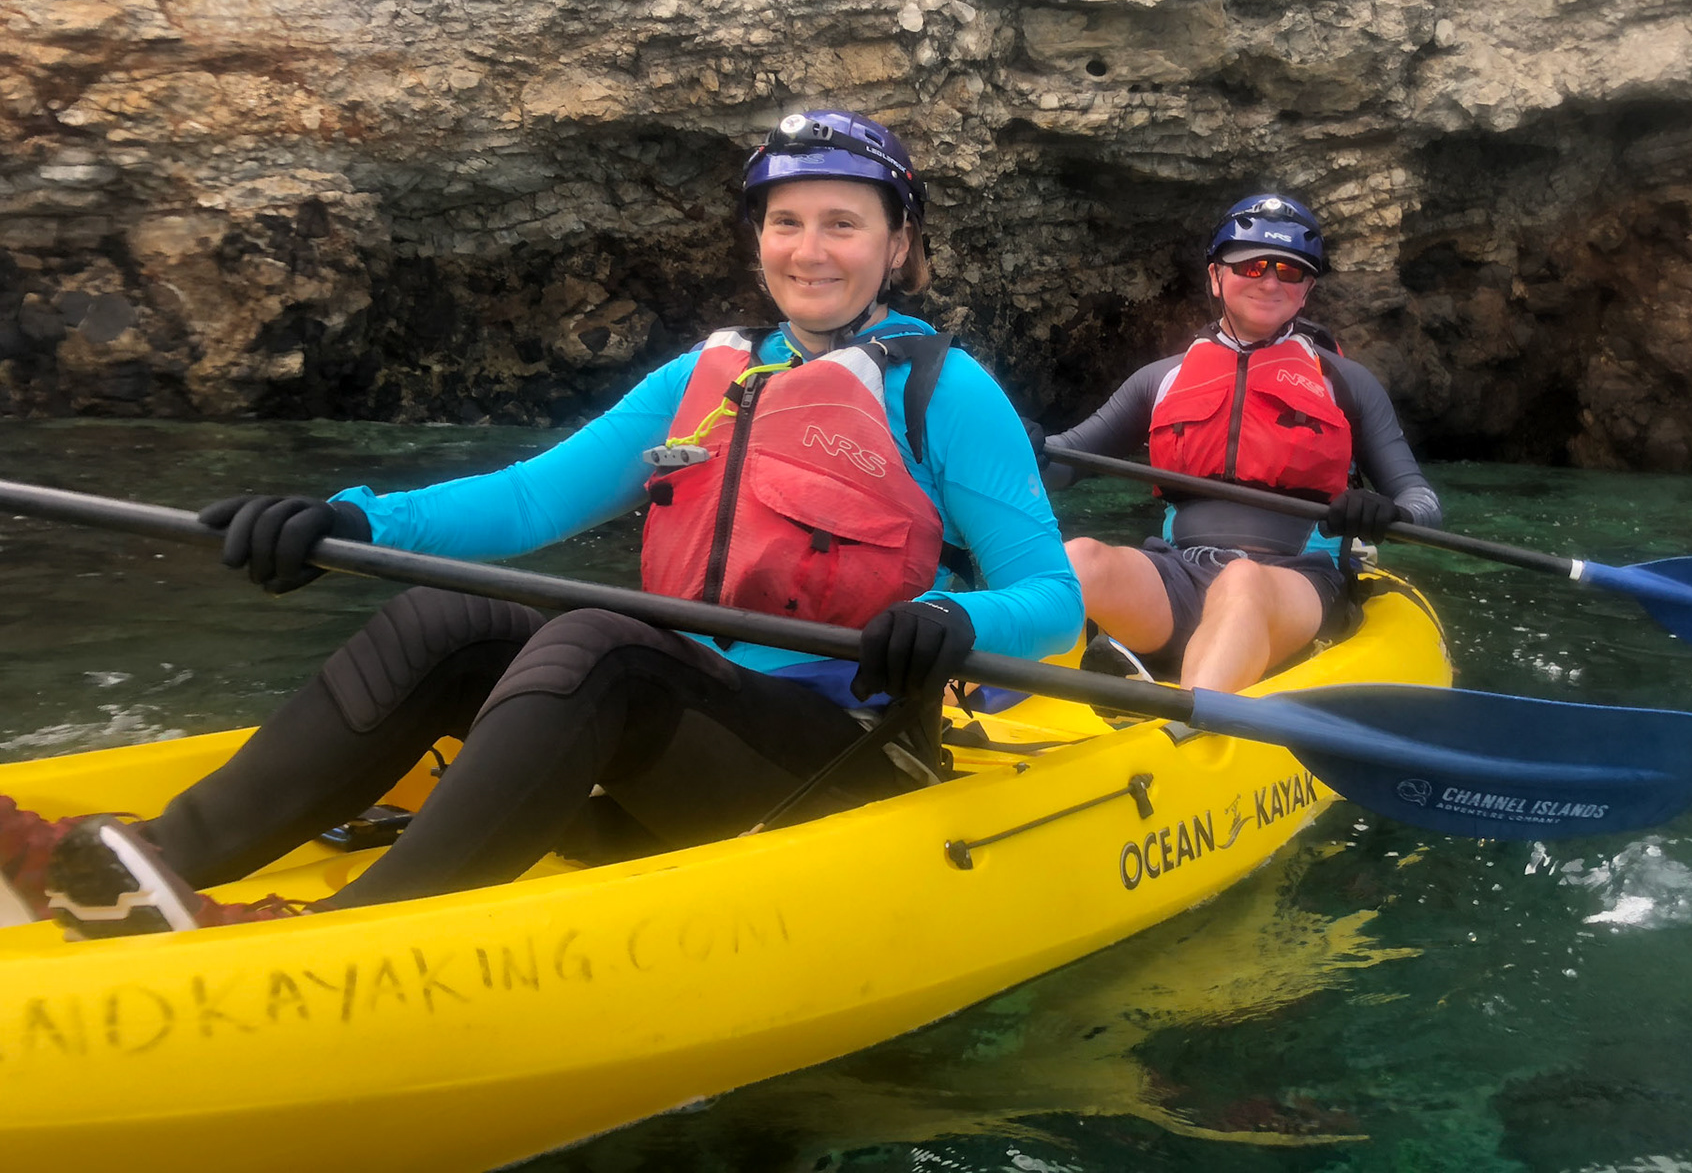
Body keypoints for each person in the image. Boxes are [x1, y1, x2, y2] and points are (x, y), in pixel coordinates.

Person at [0, 110, 1081, 938]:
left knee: (594, 640)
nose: (809, 248)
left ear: (896, 246)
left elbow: (1051, 598)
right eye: (786, 221)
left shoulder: (946, 390)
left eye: (842, 223)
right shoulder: (710, 379)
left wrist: (950, 616)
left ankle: (353, 941)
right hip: (677, 729)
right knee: (453, 616)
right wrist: (344, 514)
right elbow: (528, 500)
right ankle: (144, 864)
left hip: (836, 760)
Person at [1039, 193, 1440, 694]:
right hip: (1180, 575)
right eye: (1251, 265)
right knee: (1079, 559)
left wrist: (1385, 513)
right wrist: (1024, 448)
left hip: (1297, 580)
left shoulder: (1347, 382)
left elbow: (1421, 501)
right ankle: (945, 699)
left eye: (1290, 271)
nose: (1270, 281)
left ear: (1306, 290)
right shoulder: (1160, 379)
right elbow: (1061, 462)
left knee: (1242, 581)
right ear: (1216, 276)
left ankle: (1186, 733)